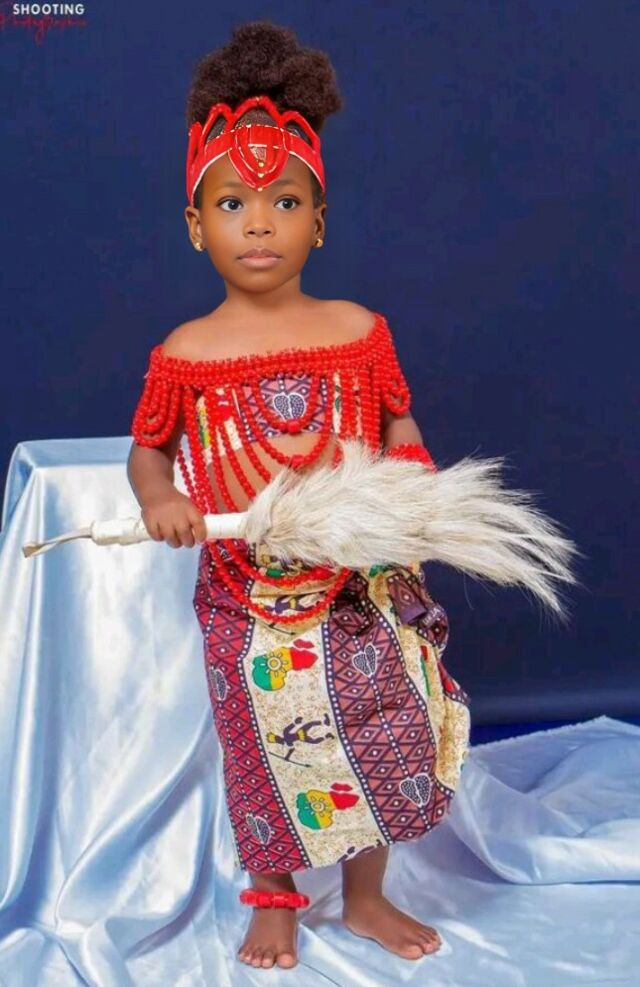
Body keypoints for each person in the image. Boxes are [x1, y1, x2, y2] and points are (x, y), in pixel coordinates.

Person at [127, 19, 471, 971]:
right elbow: (149, 451)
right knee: (263, 742)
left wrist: (411, 474)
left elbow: (398, 422)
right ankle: (274, 897)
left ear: (318, 221)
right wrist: (160, 498)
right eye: (232, 203)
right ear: (196, 225)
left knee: (380, 726)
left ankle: (365, 894)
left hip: (355, 579)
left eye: (284, 202)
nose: (259, 223)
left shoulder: (358, 330)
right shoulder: (184, 353)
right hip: (246, 591)